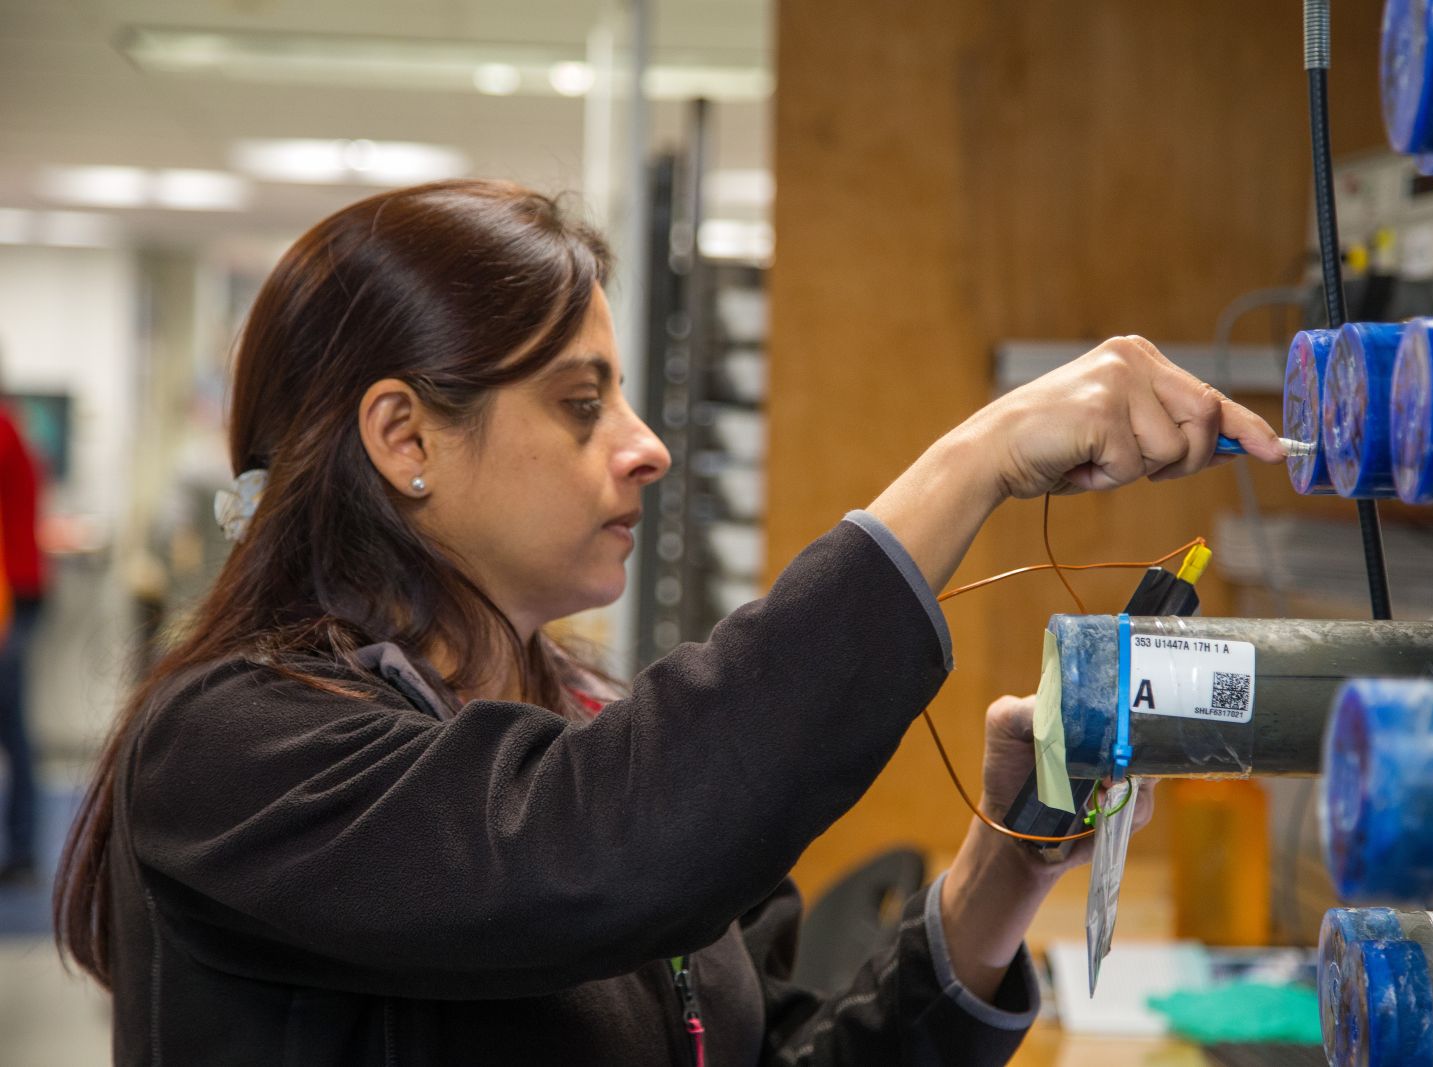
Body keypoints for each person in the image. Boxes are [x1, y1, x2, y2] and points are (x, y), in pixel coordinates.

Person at [53, 179, 1282, 1065]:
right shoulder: (229, 750)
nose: (644, 448)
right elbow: (598, 854)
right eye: (581, 405)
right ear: (405, 439)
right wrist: (972, 463)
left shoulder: (584, 717)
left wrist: (1006, 861)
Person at [0, 395, 44, 886]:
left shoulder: (4, 430)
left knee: (10, 722)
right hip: (16, 590)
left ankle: (23, 848)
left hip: (12, 595)